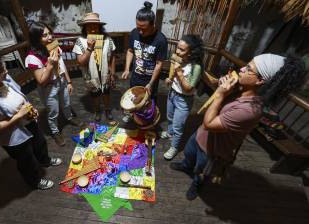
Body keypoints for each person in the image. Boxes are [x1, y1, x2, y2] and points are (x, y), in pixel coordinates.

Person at [169, 53, 306, 200]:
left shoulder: (250, 110)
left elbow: (209, 124)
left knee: (201, 171)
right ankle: (185, 166)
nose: (242, 69)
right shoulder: (242, 87)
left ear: (260, 80)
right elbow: (217, 102)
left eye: (248, 69)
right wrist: (222, 86)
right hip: (199, 135)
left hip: (213, 149)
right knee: (189, 155)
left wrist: (221, 94)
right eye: (246, 65)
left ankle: (196, 184)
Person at [0, 47, 62, 190]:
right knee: (26, 159)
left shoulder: (4, 78)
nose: (6, 71)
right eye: (0, 70)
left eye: (3, 66)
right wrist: (19, 116)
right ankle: (34, 181)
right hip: (14, 137)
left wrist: (29, 108)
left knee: (40, 143)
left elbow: (20, 96)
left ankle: (45, 160)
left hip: (28, 121)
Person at [25, 21, 81, 147]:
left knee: (66, 103)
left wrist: (69, 81)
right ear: (36, 38)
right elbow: (41, 81)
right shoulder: (32, 57)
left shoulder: (54, 46)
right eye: (44, 35)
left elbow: (62, 65)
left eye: (50, 33)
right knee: (53, 111)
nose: (50, 37)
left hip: (61, 80)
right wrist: (50, 65)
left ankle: (69, 118)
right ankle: (55, 132)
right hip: (48, 87)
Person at [121, 1, 168, 122]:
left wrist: (151, 84)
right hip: (136, 76)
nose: (140, 32)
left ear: (153, 25)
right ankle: (133, 115)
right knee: (134, 98)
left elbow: (159, 64)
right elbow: (130, 51)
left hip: (150, 79)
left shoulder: (160, 40)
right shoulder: (134, 33)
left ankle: (148, 120)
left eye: (144, 29)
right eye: (138, 28)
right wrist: (127, 69)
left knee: (148, 102)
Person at [161, 35, 204, 160]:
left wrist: (179, 72)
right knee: (169, 117)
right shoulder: (180, 60)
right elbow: (173, 75)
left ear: (191, 52)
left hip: (184, 100)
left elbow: (188, 88)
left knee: (178, 126)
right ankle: (169, 133)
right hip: (172, 94)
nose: (177, 52)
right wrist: (170, 78)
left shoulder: (196, 67)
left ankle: (174, 147)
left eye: (182, 49)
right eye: (177, 48)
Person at [73, 13, 116, 122]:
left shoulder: (107, 40)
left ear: (100, 27)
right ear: (85, 27)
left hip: (105, 72)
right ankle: (97, 110)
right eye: (89, 25)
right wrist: (89, 48)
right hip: (91, 74)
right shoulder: (80, 41)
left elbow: (112, 56)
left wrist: (113, 71)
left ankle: (107, 109)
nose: (92, 28)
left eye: (95, 25)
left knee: (106, 91)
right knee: (95, 93)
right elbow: (80, 62)